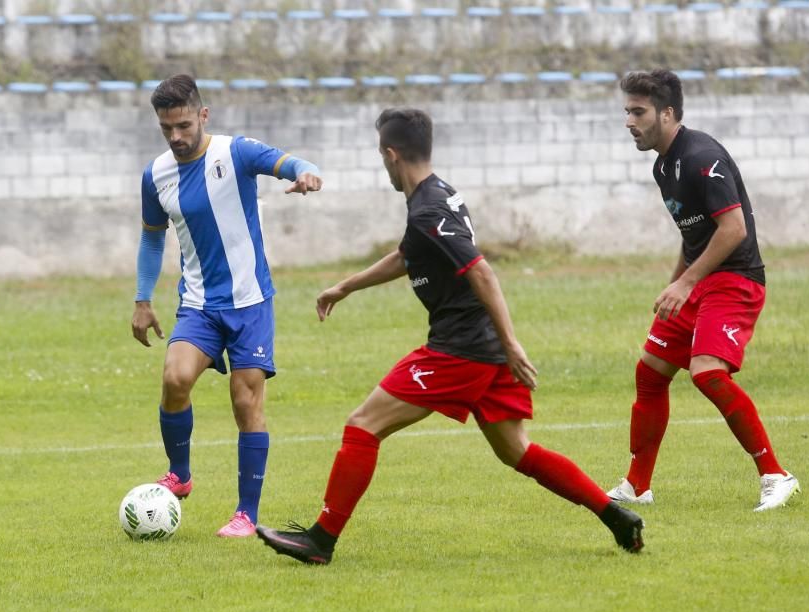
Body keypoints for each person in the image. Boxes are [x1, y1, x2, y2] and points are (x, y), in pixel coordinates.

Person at [255, 108, 644, 565]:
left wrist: (512, 342)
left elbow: (480, 270)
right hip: (484, 348)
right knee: (516, 451)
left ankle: (321, 539)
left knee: (362, 426)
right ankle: (616, 515)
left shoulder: (429, 207)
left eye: (382, 156)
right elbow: (408, 256)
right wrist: (346, 286)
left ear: (391, 153)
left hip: (461, 349)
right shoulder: (438, 194)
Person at [132, 74, 323, 537]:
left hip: (250, 302)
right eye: (166, 129)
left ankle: (246, 514)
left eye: (183, 125)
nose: (176, 137)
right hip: (198, 303)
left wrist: (304, 172)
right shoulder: (156, 175)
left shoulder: (235, 152)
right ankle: (180, 475)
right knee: (175, 378)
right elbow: (152, 239)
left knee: (245, 402)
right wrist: (142, 298)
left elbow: (286, 160)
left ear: (203, 116)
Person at [608, 69, 799, 511]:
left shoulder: (701, 156)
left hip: (736, 280)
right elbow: (692, 235)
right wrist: (677, 283)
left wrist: (687, 281)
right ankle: (638, 485)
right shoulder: (663, 165)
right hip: (700, 281)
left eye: (638, 112)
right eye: (627, 111)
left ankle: (776, 474)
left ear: (668, 113)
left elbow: (732, 229)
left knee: (708, 373)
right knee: (651, 370)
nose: (629, 122)